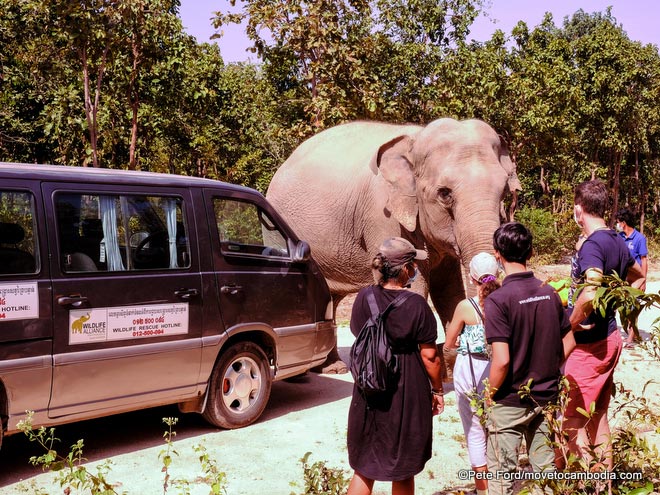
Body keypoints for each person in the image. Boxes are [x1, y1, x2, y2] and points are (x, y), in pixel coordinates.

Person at [346, 237, 444, 495]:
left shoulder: (364, 297)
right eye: (413, 264)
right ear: (405, 269)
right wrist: (437, 390)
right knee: (403, 467)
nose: (415, 270)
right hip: (405, 390)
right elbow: (430, 357)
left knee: (365, 466)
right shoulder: (417, 305)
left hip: (369, 385)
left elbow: (358, 331)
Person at [484, 222, 574, 495]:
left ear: (497, 254)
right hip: (545, 396)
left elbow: (501, 360)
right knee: (545, 474)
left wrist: (489, 394)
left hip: (509, 400)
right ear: (531, 252)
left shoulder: (498, 300)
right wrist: (547, 368)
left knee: (501, 477)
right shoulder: (549, 293)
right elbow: (569, 341)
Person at [565, 180, 645, 472]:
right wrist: (620, 311)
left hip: (588, 345)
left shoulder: (592, 245)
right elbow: (637, 277)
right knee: (598, 417)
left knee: (572, 421)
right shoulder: (616, 240)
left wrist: (570, 324)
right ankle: (602, 485)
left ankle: (585, 485)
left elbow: (591, 288)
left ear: (578, 210)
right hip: (610, 336)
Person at [445, 252, 501, 495]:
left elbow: (448, 343)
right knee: (497, 429)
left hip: (469, 370)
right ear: (497, 275)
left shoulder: (465, 307)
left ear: (472, 278)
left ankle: (482, 489)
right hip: (498, 367)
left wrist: (462, 342)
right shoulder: (503, 301)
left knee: (475, 431)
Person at [615, 207, 649, 348]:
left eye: (618, 222)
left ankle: (630, 337)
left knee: (634, 308)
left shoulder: (639, 238)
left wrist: (644, 280)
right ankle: (629, 331)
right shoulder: (620, 237)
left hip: (636, 279)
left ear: (623, 223)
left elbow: (644, 259)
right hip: (623, 279)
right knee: (623, 307)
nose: (617, 224)